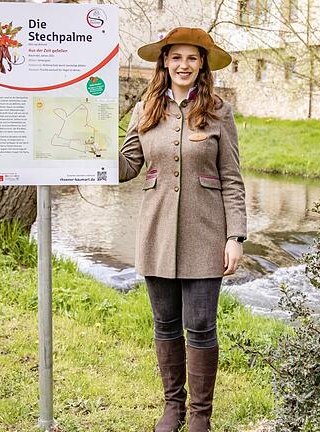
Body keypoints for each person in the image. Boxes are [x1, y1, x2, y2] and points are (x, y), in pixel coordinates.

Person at [117, 27, 247, 432]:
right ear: (165, 62)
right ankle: (172, 408)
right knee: (165, 324)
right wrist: (88, 146)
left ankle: (200, 417)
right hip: (156, 232)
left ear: (202, 64)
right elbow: (127, 167)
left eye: (192, 58)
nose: (184, 65)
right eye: (176, 58)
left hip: (207, 232)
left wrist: (235, 237)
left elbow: (232, 178)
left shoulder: (220, 111)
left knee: (202, 325)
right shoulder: (145, 109)